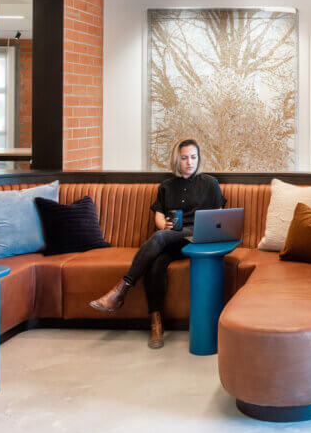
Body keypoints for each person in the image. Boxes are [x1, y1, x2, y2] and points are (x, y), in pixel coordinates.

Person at [89, 138, 225, 348]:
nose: (189, 162)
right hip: (173, 239)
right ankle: (156, 322)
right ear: (176, 160)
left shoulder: (210, 183)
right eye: (184, 158)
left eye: (193, 157)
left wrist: (172, 232)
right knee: (155, 264)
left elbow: (218, 217)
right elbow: (159, 218)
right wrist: (166, 227)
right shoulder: (167, 186)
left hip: (198, 237)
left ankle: (121, 290)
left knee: (160, 237)